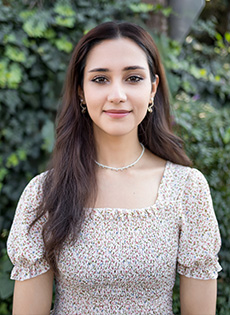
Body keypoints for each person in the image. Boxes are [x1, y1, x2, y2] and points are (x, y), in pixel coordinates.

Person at [7, 21, 221, 315]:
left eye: (133, 78)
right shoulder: (45, 193)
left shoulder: (187, 188)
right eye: (100, 79)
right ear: (80, 90)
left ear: (153, 89)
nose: (117, 94)